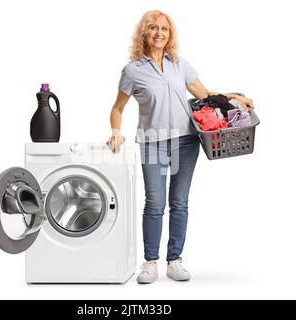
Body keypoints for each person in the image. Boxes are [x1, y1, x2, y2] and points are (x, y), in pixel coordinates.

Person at [107, 10, 254, 284]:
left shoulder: (180, 65)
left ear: (169, 34)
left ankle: (174, 260)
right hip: (152, 142)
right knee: (155, 203)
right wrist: (116, 133)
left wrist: (235, 97)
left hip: (186, 141)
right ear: (144, 34)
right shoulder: (132, 71)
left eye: (164, 28)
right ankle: (150, 262)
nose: (159, 33)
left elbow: (206, 95)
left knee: (179, 202)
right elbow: (117, 108)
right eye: (153, 28)